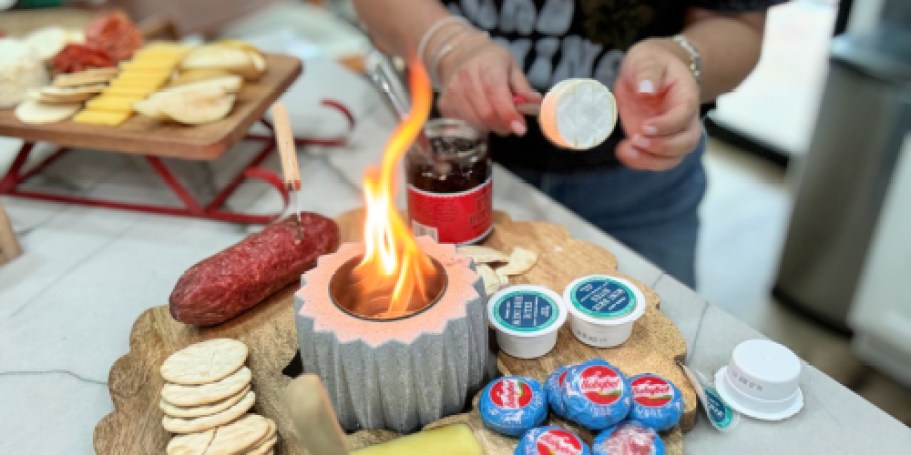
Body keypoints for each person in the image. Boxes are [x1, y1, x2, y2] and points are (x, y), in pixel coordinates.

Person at [353, 0, 784, 287]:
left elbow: (739, 22)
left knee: (653, 340)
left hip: (639, 189)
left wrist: (683, 57)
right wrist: (449, 46)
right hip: (461, 172)